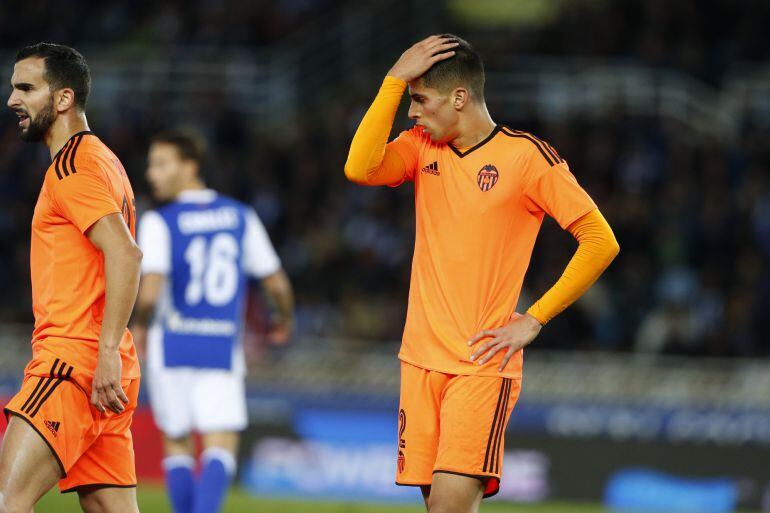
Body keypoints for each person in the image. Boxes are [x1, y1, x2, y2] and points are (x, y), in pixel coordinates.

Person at [344, 35, 620, 513]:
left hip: (480, 363)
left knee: (451, 506)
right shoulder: (420, 146)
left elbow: (601, 240)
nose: (411, 113)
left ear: (460, 97)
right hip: (421, 359)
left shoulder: (528, 158)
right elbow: (359, 168)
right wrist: (393, 81)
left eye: (418, 100)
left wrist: (535, 317)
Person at [1, 43, 143, 513]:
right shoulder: (105, 160)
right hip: (106, 370)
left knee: (7, 499)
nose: (12, 100)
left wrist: (101, 354)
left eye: (26, 88)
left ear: (62, 99)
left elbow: (125, 253)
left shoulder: (71, 169)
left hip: (73, 366)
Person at [131, 128, 294, 513]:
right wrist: (283, 318)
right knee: (220, 446)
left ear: (190, 166)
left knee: (177, 444)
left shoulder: (160, 221)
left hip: (170, 346)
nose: (152, 174)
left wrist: (138, 327)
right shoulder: (239, 216)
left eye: (161, 164)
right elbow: (276, 281)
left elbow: (151, 289)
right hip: (220, 346)